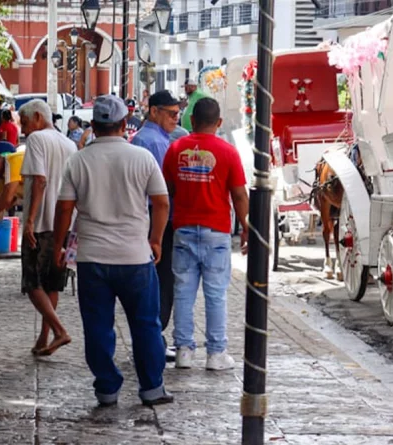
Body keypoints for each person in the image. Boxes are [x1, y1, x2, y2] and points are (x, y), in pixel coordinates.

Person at [52, 95, 173, 407]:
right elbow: (161, 202)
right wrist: (156, 239)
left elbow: (64, 209)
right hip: (135, 257)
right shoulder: (142, 158)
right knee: (146, 325)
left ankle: (107, 387)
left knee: (97, 327)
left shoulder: (78, 161)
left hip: (92, 258)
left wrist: (58, 246)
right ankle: (152, 388)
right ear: (123, 124)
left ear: (94, 126)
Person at [163, 97, 249, 371]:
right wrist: (246, 227)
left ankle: (184, 352)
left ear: (191, 121)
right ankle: (215, 354)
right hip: (216, 231)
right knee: (216, 294)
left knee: (183, 293)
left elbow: (167, 190)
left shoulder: (176, 149)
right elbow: (239, 194)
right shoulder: (228, 152)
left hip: (184, 228)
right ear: (219, 122)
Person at [18, 99, 76, 356]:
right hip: (63, 223)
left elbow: (39, 180)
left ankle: (59, 331)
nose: (23, 129)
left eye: (25, 122)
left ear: (39, 118)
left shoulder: (37, 140)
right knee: (52, 283)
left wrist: (29, 220)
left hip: (41, 222)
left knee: (32, 283)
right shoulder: (69, 144)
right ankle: (44, 337)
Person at [130, 90, 180, 362]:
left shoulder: (153, 139)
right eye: (171, 113)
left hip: (152, 217)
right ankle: (154, 335)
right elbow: (161, 193)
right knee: (161, 279)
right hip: (157, 218)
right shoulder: (153, 142)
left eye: (177, 113)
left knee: (158, 279)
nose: (175, 118)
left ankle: (153, 335)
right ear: (154, 112)